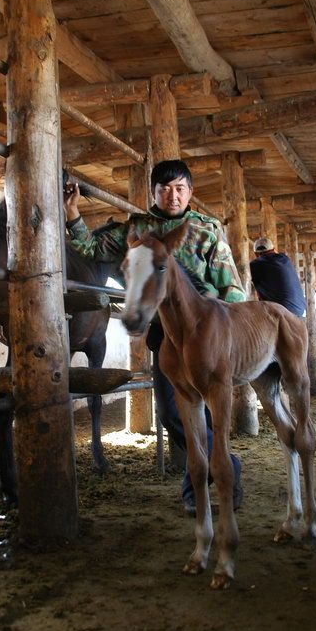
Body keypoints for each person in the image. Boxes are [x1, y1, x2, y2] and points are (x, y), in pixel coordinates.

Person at [63, 159, 247, 515]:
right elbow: (93, 250)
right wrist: (73, 215)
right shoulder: (137, 229)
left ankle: (197, 489)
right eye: (164, 189)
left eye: (179, 188)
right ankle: (227, 468)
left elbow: (231, 287)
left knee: (205, 414)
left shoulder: (206, 230)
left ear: (190, 192)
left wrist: (233, 333)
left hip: (208, 332)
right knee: (173, 413)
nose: (172, 196)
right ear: (153, 193)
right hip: (167, 333)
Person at [249, 237, 306, 317]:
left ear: (256, 254)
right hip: (301, 311)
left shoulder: (255, 265)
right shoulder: (285, 259)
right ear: (273, 249)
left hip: (282, 314)